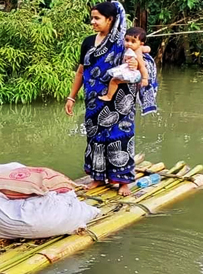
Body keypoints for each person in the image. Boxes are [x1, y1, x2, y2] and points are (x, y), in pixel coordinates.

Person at [64, 1, 137, 197]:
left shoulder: (123, 43)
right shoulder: (88, 42)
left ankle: (122, 181)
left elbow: (139, 57)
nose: (93, 22)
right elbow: (81, 71)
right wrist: (71, 97)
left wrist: (134, 62)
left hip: (120, 100)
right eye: (92, 18)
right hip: (94, 99)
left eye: (97, 18)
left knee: (119, 137)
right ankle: (97, 176)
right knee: (95, 137)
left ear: (110, 19)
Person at [98, 27, 149, 102]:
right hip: (130, 71)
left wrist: (145, 79)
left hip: (135, 75)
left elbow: (142, 67)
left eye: (133, 42)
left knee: (114, 80)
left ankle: (109, 96)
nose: (129, 44)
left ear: (141, 44)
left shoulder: (137, 52)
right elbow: (147, 48)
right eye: (127, 40)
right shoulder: (128, 49)